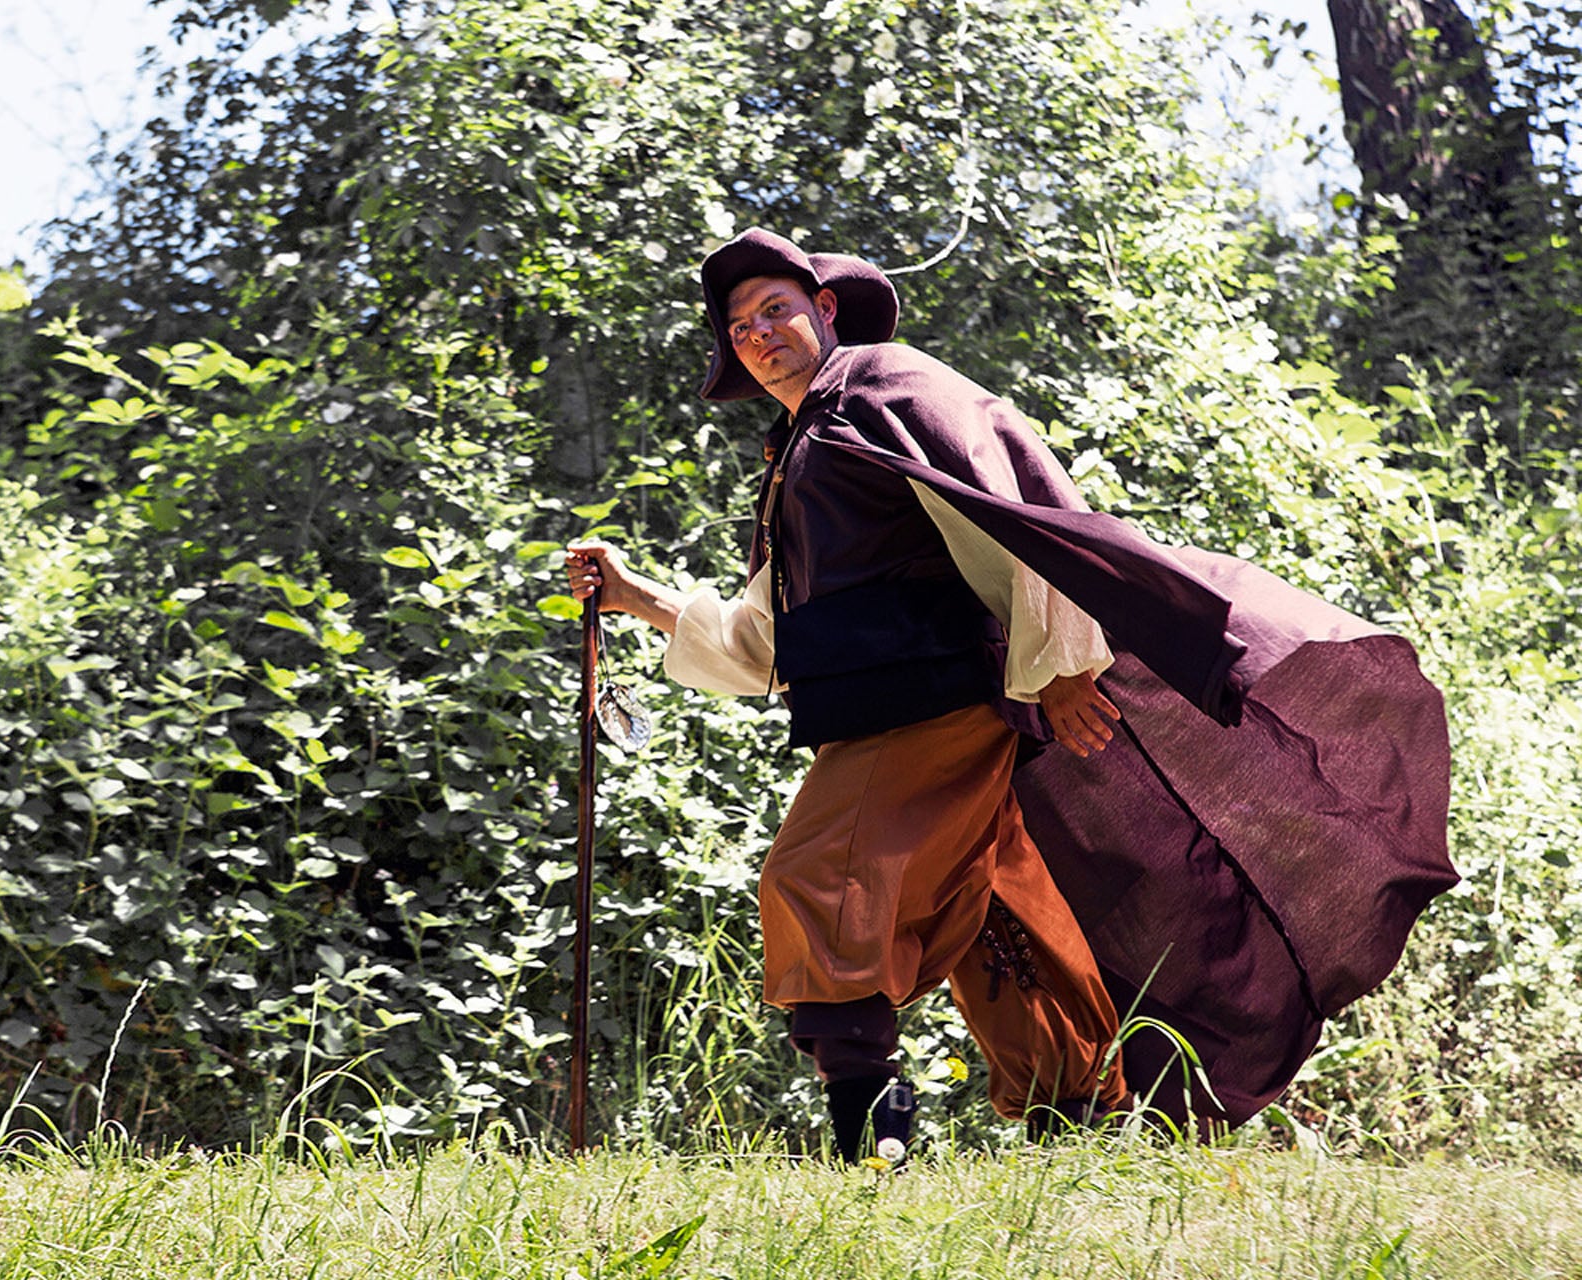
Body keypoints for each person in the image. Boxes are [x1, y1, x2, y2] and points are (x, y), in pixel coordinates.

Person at [564, 228, 1457, 1162]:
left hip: (934, 702)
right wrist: (639, 598)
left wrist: (1065, 664)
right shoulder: (798, 450)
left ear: (825, 310)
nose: (759, 331)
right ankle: (1084, 1130)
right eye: (740, 324)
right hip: (893, 704)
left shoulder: (882, 388)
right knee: (1002, 925)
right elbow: (774, 637)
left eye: (776, 308)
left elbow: (1007, 512)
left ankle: (869, 1137)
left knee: (815, 881)